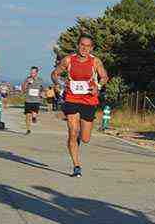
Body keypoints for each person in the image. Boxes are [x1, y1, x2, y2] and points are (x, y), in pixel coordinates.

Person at [52, 35, 108, 178]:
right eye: (82, 45)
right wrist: (57, 83)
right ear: (78, 45)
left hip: (89, 100)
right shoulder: (68, 60)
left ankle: (76, 140)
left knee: (85, 138)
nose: (84, 48)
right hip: (71, 99)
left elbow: (104, 77)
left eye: (88, 46)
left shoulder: (95, 61)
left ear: (92, 48)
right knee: (72, 131)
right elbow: (55, 73)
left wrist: (98, 86)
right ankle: (76, 165)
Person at [21, 66, 44, 135]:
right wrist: (27, 83)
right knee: (27, 116)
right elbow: (24, 89)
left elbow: (42, 88)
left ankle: (34, 117)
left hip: (36, 100)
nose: (32, 74)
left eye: (33, 72)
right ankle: (28, 129)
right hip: (28, 100)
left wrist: (42, 94)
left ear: (37, 73)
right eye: (31, 72)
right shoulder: (27, 79)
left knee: (34, 112)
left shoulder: (40, 80)